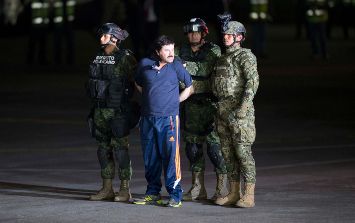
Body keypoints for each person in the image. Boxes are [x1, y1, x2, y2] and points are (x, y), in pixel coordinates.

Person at [134, 35, 193, 208]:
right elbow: (138, 83)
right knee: (150, 157)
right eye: (167, 50)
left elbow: (189, 86)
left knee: (170, 157)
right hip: (147, 119)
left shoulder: (176, 65)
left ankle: (175, 195)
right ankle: (153, 193)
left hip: (169, 120)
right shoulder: (144, 64)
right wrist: (147, 97)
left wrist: (176, 101)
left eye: (172, 49)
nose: (171, 53)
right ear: (157, 51)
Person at [175, 18, 228, 201]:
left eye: (197, 32)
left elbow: (211, 72)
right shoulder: (180, 50)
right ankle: (198, 187)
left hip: (210, 105)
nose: (193, 35)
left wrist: (185, 73)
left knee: (215, 149)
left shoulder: (213, 50)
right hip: (190, 106)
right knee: (193, 148)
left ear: (204, 33)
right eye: (190, 32)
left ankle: (222, 187)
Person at [212, 14, 259, 208]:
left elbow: (253, 81)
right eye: (224, 34)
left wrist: (244, 107)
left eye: (230, 35)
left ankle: (248, 195)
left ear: (239, 37)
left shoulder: (245, 56)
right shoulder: (222, 58)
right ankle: (233, 192)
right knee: (227, 153)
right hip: (222, 111)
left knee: (242, 152)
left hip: (239, 113)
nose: (225, 37)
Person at [86, 23, 137, 202]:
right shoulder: (97, 57)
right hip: (99, 111)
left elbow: (138, 82)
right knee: (102, 150)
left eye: (105, 35)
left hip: (117, 112)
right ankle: (107, 188)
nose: (101, 38)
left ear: (114, 38)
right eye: (101, 35)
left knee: (121, 150)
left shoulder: (125, 58)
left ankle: (124, 189)